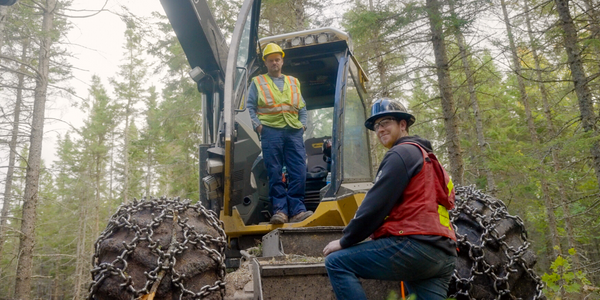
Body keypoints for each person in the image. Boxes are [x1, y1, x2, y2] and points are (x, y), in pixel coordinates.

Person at [323, 98, 457, 299]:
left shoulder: (401, 153)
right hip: (443, 254)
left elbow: (375, 205)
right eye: (376, 126)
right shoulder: (428, 158)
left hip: (415, 247)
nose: (380, 130)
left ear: (403, 125)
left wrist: (346, 240)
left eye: (385, 122)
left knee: (336, 262)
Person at [247, 43, 313, 224]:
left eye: (277, 59)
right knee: (275, 172)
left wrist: (303, 126)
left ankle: (297, 210)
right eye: (271, 60)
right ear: (266, 63)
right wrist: (259, 127)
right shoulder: (258, 82)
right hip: (270, 132)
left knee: (298, 170)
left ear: (282, 61)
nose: (274, 63)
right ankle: (280, 211)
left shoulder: (293, 82)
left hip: (293, 131)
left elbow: (302, 107)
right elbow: (249, 107)